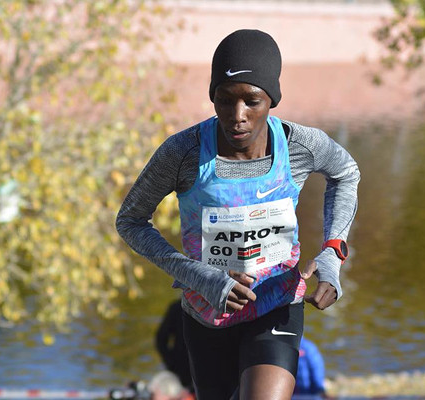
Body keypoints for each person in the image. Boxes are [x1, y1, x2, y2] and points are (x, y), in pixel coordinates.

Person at [116, 29, 360, 400]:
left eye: (252, 101)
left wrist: (332, 251)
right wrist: (199, 275)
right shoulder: (183, 152)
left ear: (272, 99)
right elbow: (130, 221)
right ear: (212, 96)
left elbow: (345, 173)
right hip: (207, 314)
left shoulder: (299, 145)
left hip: (277, 303)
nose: (237, 116)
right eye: (225, 100)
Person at [155, 299, 193, 393]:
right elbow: (161, 339)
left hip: (184, 366)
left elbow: (160, 339)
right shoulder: (177, 308)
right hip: (183, 367)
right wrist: (172, 364)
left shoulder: (177, 307)